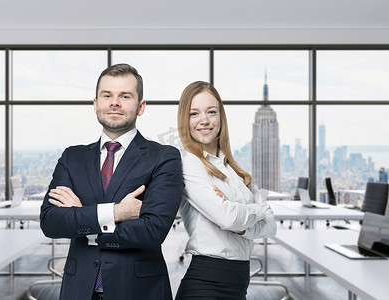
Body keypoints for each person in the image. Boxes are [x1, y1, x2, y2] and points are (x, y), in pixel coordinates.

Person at [40, 63, 184, 300]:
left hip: (139, 292)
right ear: (95, 104)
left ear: (141, 106)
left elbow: (152, 231)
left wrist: (83, 218)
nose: (114, 102)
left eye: (125, 96)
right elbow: (51, 222)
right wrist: (116, 212)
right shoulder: (72, 157)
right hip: (78, 291)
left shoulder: (163, 157)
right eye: (107, 95)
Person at [175, 81, 277, 300]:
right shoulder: (189, 163)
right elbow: (228, 218)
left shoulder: (235, 170)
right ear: (185, 120)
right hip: (205, 284)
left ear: (221, 116)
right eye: (194, 113)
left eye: (211, 112)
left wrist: (242, 225)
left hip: (238, 283)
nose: (204, 120)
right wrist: (256, 210)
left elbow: (271, 226)